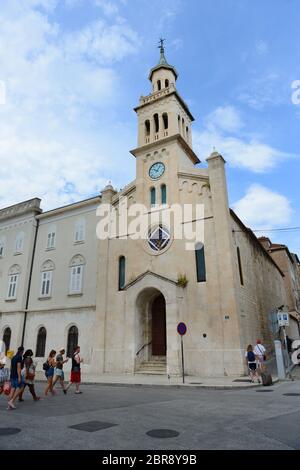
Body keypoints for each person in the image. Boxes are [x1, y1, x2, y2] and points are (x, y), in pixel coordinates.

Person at [7, 346, 25, 410]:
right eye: (23, 351)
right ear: (22, 351)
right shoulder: (19, 357)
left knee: (12, 389)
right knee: (21, 387)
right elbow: (19, 367)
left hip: (12, 375)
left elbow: (11, 367)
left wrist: (10, 375)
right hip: (17, 375)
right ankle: (11, 401)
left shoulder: (13, 357)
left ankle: (9, 406)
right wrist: (19, 377)